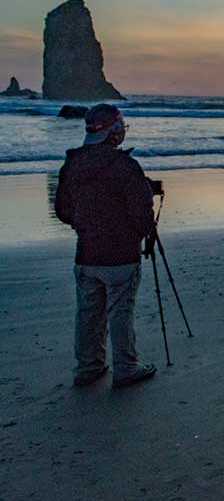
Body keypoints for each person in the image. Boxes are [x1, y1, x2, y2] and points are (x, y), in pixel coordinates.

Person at [54, 104, 158, 388]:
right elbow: (142, 213)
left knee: (88, 312)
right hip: (121, 255)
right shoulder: (124, 166)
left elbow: (62, 210)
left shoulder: (73, 163)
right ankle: (125, 366)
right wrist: (140, 233)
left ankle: (88, 367)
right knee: (120, 310)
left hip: (86, 253)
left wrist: (85, 225)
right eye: (122, 127)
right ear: (114, 132)